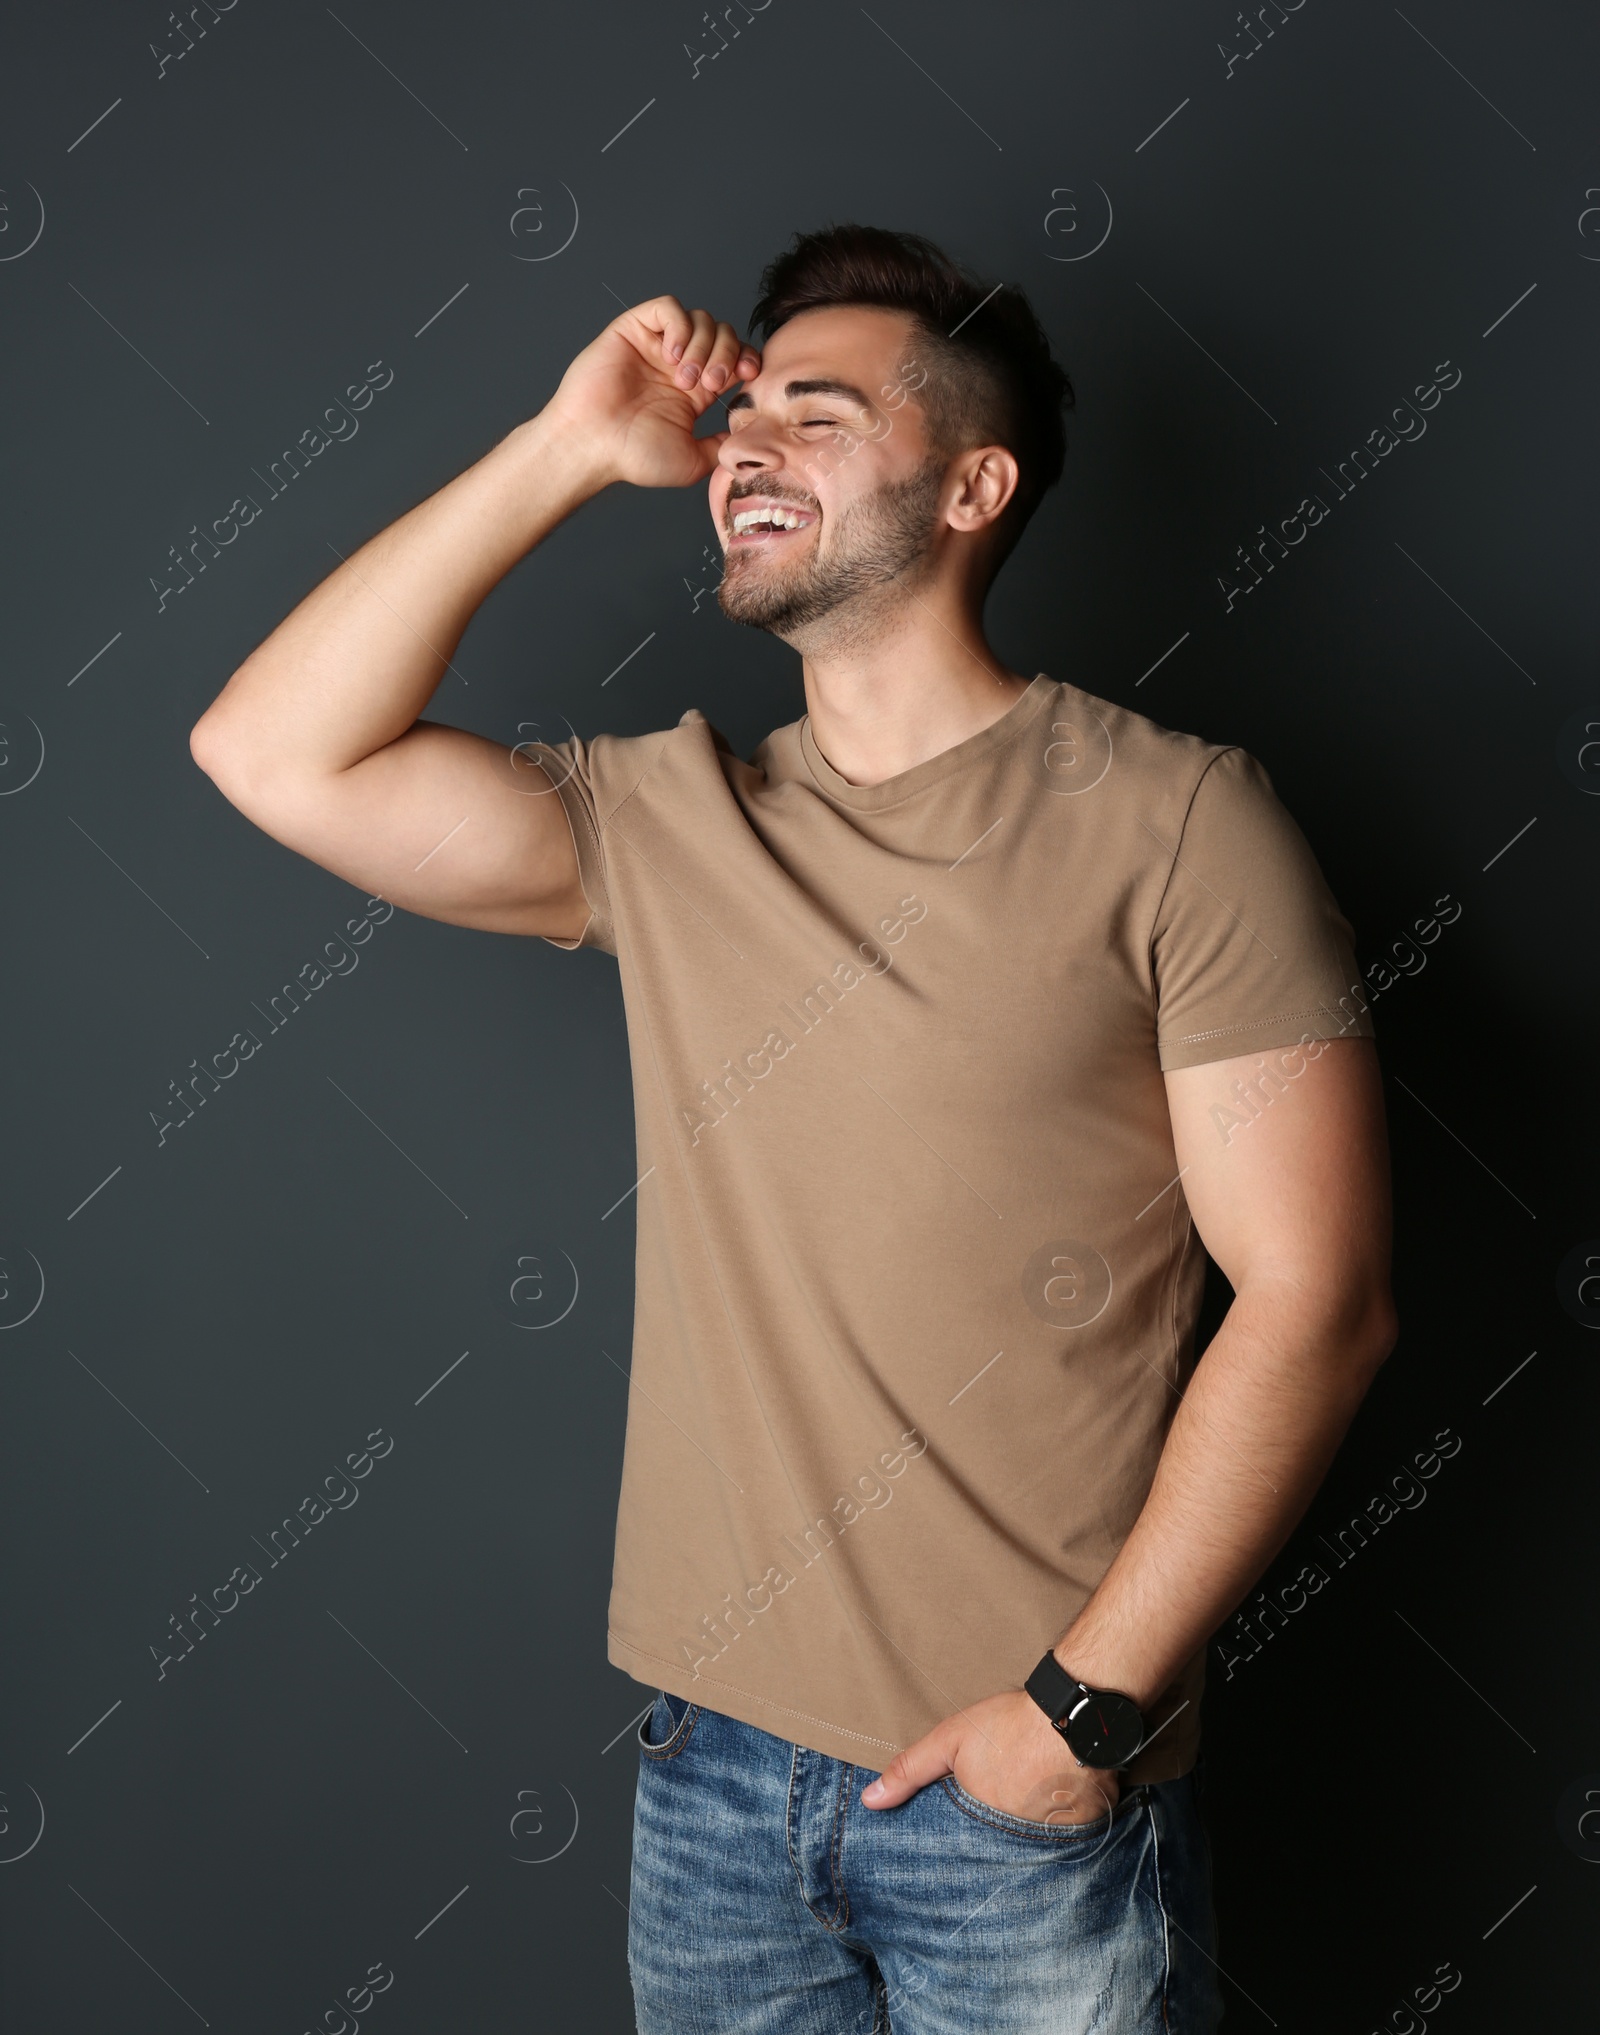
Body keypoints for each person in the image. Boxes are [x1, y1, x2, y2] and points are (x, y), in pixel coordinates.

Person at [191, 225, 1397, 2032]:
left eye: (813, 417)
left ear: (976, 483)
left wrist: (1083, 1716)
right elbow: (272, 755)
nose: (744, 446)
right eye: (739, 415)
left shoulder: (1178, 824)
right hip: (711, 1788)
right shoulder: (675, 824)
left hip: (1029, 1801)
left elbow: (1321, 1298)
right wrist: (568, 444)